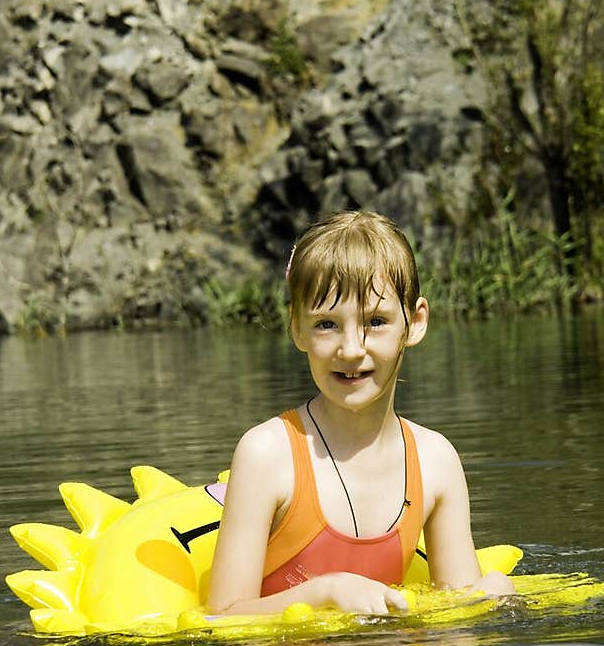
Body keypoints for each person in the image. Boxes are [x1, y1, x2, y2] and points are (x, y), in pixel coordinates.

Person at [207, 210, 517, 617]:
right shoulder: (266, 455)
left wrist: (488, 597)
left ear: (415, 322)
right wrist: (326, 592)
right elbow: (221, 617)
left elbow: (452, 621)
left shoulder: (435, 460)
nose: (351, 349)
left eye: (375, 321)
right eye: (326, 325)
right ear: (296, 328)